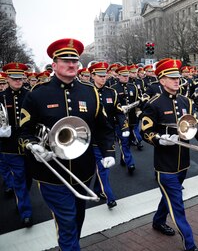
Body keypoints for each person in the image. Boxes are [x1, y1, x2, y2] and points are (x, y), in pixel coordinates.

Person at [19, 38, 116, 250]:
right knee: (67, 222)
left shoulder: (90, 92)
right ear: (54, 65)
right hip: (52, 173)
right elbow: (24, 131)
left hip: (84, 169)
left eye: (75, 61)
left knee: (77, 218)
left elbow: (103, 127)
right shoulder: (37, 94)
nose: (72, 65)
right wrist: (32, 145)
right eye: (65, 60)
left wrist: (109, 151)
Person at [140, 58, 198, 251]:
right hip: (165, 164)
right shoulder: (154, 104)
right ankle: (190, 244)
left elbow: (195, 126)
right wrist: (158, 139)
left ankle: (158, 221)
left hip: (183, 162)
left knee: (169, 197)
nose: (176, 80)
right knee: (177, 204)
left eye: (177, 77)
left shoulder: (186, 102)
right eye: (171, 78)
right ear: (162, 80)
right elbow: (145, 130)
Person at [89, 61, 128, 209]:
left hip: (107, 136)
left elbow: (118, 112)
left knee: (103, 167)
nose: (103, 78)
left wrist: (123, 126)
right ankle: (109, 197)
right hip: (91, 136)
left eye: (104, 75)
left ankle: (98, 190)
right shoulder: (87, 92)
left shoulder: (111, 92)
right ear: (93, 76)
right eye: (99, 76)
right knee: (101, 167)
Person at [0, 63, 33, 227]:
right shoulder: (1, 97)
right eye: (14, 78)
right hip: (10, 146)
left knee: (27, 179)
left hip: (29, 146)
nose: (18, 81)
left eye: (20, 78)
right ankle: (26, 212)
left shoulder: (30, 95)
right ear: (7, 78)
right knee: (19, 179)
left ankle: (21, 198)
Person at [111, 65, 139, 174]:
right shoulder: (113, 88)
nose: (126, 77)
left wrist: (138, 110)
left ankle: (123, 159)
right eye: (124, 76)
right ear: (118, 76)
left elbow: (138, 101)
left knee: (130, 140)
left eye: (127, 75)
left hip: (132, 118)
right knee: (124, 142)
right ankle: (130, 163)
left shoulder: (133, 87)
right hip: (119, 121)